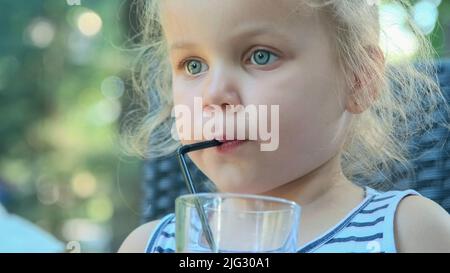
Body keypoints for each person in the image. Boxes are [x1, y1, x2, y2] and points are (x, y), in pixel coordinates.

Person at [119, 0, 450, 253]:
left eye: (260, 56)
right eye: (193, 65)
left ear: (359, 79)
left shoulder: (412, 233)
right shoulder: (150, 245)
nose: (214, 93)